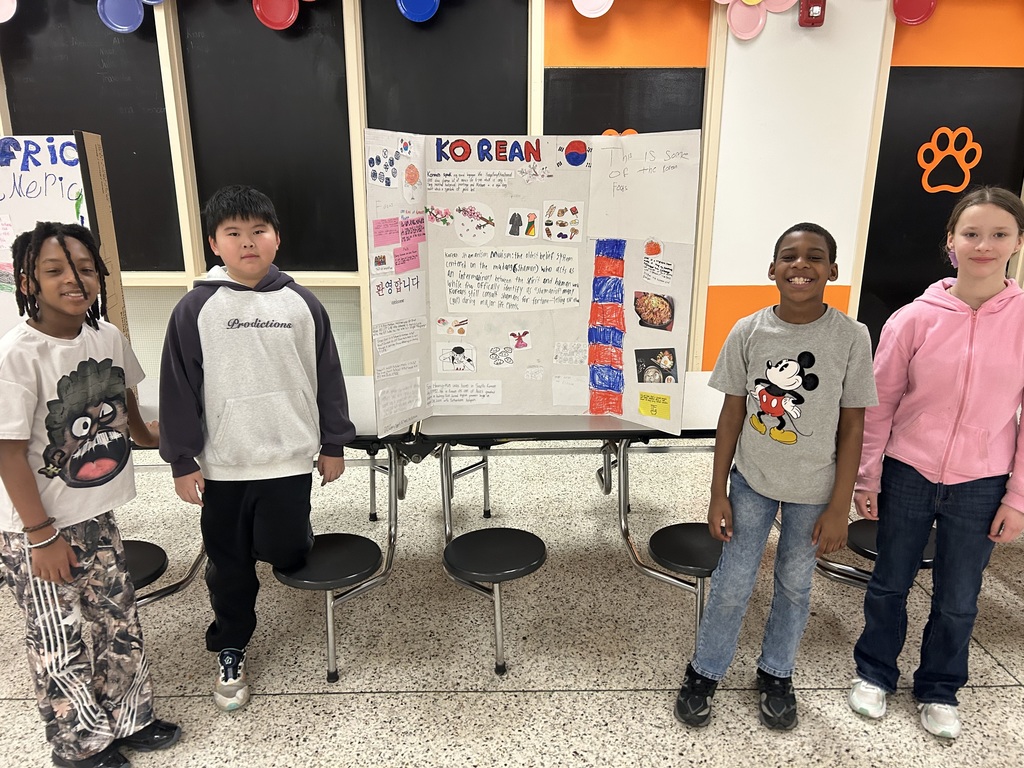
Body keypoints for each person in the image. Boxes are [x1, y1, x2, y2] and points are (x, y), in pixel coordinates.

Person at [159, 185, 355, 712]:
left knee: (287, 550)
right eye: (234, 234)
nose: (248, 242)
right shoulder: (196, 307)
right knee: (230, 564)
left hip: (289, 458)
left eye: (258, 232)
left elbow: (327, 377)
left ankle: (278, 541)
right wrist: (181, 460)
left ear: (276, 239)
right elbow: (176, 386)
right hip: (224, 466)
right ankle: (230, 642)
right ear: (214, 244)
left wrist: (333, 443)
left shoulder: (302, 303)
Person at [674, 222, 877, 730]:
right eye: (789, 256)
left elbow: (853, 425)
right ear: (772, 269)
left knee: (794, 583)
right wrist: (717, 491)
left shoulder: (852, 337)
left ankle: (776, 672)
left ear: (832, 270)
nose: (801, 265)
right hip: (752, 484)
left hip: (816, 491)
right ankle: (705, 670)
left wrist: (839, 505)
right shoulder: (748, 331)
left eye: (815, 256)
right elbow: (731, 415)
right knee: (732, 582)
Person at [0, 222, 180, 768]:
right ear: (27, 280)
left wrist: (179, 443)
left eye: (84, 268)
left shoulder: (107, 338)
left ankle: (129, 718)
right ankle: (78, 746)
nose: (74, 280)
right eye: (54, 270)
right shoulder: (17, 355)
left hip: (96, 513)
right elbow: (7, 454)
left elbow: (129, 420)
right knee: (61, 636)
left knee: (115, 618)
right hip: (37, 526)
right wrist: (40, 535)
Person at [847, 187, 1024, 739]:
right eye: (971, 234)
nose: (984, 245)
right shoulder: (913, 319)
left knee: (958, 596)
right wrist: (866, 473)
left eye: (999, 234)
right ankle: (875, 673)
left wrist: (1018, 498)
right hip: (908, 472)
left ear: (1017, 242)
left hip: (983, 480)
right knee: (889, 580)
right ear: (951, 242)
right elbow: (881, 402)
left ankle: (940, 688)